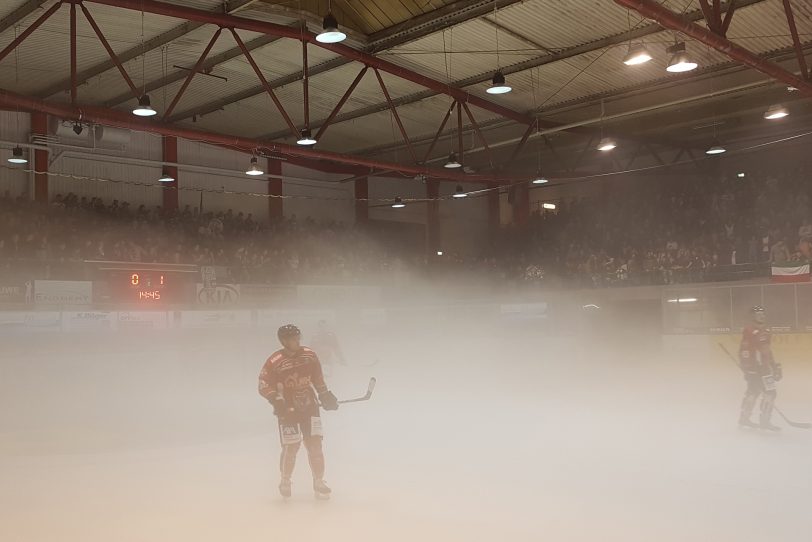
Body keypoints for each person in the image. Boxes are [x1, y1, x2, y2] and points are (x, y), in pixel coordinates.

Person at [258, 324, 339, 499]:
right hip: (288, 412)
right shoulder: (275, 361)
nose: (297, 340)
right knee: (291, 447)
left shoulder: (309, 355)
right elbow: (263, 384)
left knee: (315, 446)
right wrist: (275, 399)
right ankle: (285, 480)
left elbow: (318, 379)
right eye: (293, 338)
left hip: (310, 408)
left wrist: (325, 395)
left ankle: (319, 481)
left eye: (298, 337)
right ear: (284, 341)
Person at [738, 306, 782, 431]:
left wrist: (774, 365)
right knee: (768, 392)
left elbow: (767, 350)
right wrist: (748, 368)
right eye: (758, 314)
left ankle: (745, 418)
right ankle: (763, 420)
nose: (762, 316)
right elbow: (745, 350)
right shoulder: (749, 331)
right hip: (757, 368)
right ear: (753, 317)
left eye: (763, 313)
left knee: (755, 391)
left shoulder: (766, 330)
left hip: (765, 368)